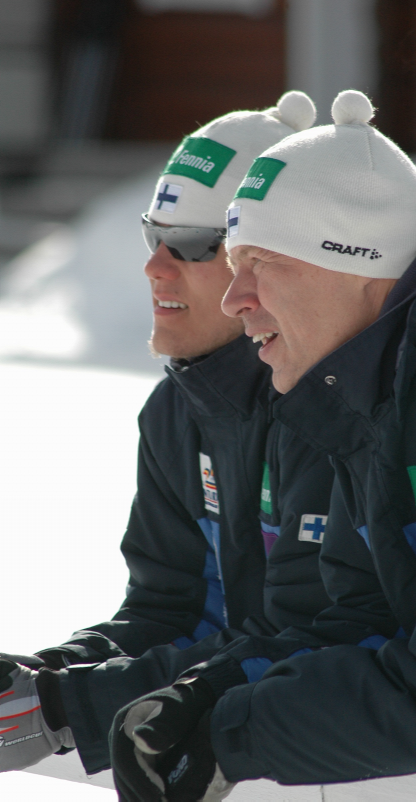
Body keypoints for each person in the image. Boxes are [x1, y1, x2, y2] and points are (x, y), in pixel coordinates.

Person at [107, 89, 416, 801]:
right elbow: (361, 620)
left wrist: (230, 735)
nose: (235, 298)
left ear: (354, 262)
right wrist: (203, 695)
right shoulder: (372, 384)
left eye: (259, 264)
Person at [0, 91, 342, 776]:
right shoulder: (176, 411)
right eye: (151, 237)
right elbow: (172, 612)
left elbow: (313, 638)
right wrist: (45, 674)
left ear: (268, 261)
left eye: (189, 245)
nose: (156, 268)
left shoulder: (335, 414)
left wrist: (70, 703)